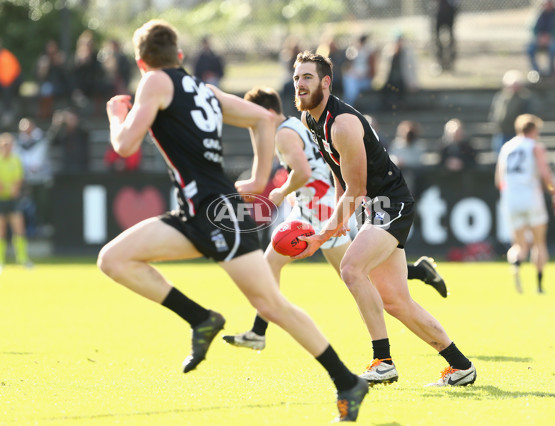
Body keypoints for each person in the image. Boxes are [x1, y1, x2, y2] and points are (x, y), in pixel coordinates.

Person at [97, 20, 368, 422]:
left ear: (141, 62)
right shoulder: (204, 90)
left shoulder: (154, 82)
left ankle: (346, 380)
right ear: (181, 56)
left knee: (272, 304)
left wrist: (116, 114)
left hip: (212, 213)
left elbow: (124, 144)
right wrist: (259, 178)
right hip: (200, 213)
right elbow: (262, 119)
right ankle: (202, 319)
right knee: (113, 259)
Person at [223, 88, 448, 385]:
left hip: (321, 207)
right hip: (319, 202)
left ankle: (387, 346)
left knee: (355, 273)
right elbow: (328, 163)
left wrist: (281, 192)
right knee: (354, 273)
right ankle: (258, 331)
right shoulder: (301, 122)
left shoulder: (285, 132)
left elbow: (303, 171)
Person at [290, 51, 476, 387]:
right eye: (296, 78)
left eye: (307, 77)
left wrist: (322, 235)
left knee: (350, 269)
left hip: (390, 204)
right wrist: (336, 223)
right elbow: (340, 177)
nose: (300, 84)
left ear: (326, 82)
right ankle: (460, 366)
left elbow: (357, 188)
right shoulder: (310, 121)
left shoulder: (343, 123)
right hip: (371, 208)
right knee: (395, 301)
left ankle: (383, 360)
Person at [495, 114, 555, 294]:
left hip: (510, 199)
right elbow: (545, 174)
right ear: (533, 130)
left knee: (518, 244)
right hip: (531, 197)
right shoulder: (535, 147)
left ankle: (516, 264)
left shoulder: (506, 147)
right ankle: (539, 285)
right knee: (539, 243)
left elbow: (499, 180)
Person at [14, 117, 53, 236]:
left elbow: (38, 162)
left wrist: (31, 168)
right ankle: (30, 228)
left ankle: (43, 226)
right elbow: (18, 159)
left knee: (42, 203)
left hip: (41, 179)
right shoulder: (19, 142)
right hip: (26, 180)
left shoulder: (41, 139)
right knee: (27, 205)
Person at [0, 132, 33, 272]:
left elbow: (18, 180)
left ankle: (22, 259)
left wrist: (13, 188)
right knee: (1, 231)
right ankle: (1, 261)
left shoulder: (16, 160)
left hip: (13, 199)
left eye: (9, 144)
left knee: (19, 229)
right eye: (4, 144)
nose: (7, 147)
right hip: (1, 200)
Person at [488, 69, 535, 153]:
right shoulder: (501, 96)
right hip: (501, 132)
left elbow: (527, 116)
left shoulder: (524, 98)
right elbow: (495, 112)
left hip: (515, 134)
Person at [526, 0, 555, 78]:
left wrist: (549, 37)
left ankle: (551, 71)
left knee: (553, 48)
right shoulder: (539, 14)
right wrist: (539, 37)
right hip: (540, 39)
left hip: (553, 39)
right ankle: (536, 71)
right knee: (529, 49)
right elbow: (533, 28)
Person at [380, 32, 419, 110]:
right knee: (385, 90)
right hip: (390, 79)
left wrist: (414, 82)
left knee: (399, 87)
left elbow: (412, 68)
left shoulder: (407, 52)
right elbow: (383, 67)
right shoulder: (389, 51)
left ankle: (399, 105)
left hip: (403, 79)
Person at [46, 108, 90, 173]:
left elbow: (87, 131)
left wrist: (76, 122)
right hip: (65, 166)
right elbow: (51, 141)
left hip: (82, 166)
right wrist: (55, 125)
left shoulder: (81, 131)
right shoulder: (62, 132)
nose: (70, 121)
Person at [387, 120, 426, 192]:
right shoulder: (396, 144)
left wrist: (404, 162)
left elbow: (418, 161)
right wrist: (397, 161)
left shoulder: (419, 145)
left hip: (413, 172)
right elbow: (390, 157)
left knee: (408, 177)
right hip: (397, 171)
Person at [35, 40, 70, 119]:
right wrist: (43, 69)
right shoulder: (43, 59)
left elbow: (66, 75)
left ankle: (47, 112)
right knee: (45, 89)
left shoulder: (60, 58)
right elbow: (39, 77)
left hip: (59, 85)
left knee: (48, 89)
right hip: (47, 85)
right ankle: (44, 113)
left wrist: (60, 64)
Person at [343, 34, 377, 106]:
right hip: (355, 79)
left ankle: (348, 104)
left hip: (365, 80)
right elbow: (348, 66)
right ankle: (349, 103)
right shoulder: (355, 51)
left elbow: (371, 72)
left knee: (352, 85)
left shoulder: (369, 54)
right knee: (349, 80)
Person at [432, 0, 459, 72]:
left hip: (450, 11)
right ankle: (439, 62)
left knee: (451, 38)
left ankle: (451, 63)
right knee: (437, 39)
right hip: (440, 11)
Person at [0, 40, 22, 128]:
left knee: (6, 89)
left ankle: (7, 112)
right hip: (4, 82)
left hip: (13, 82)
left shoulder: (5, 57)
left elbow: (7, 78)